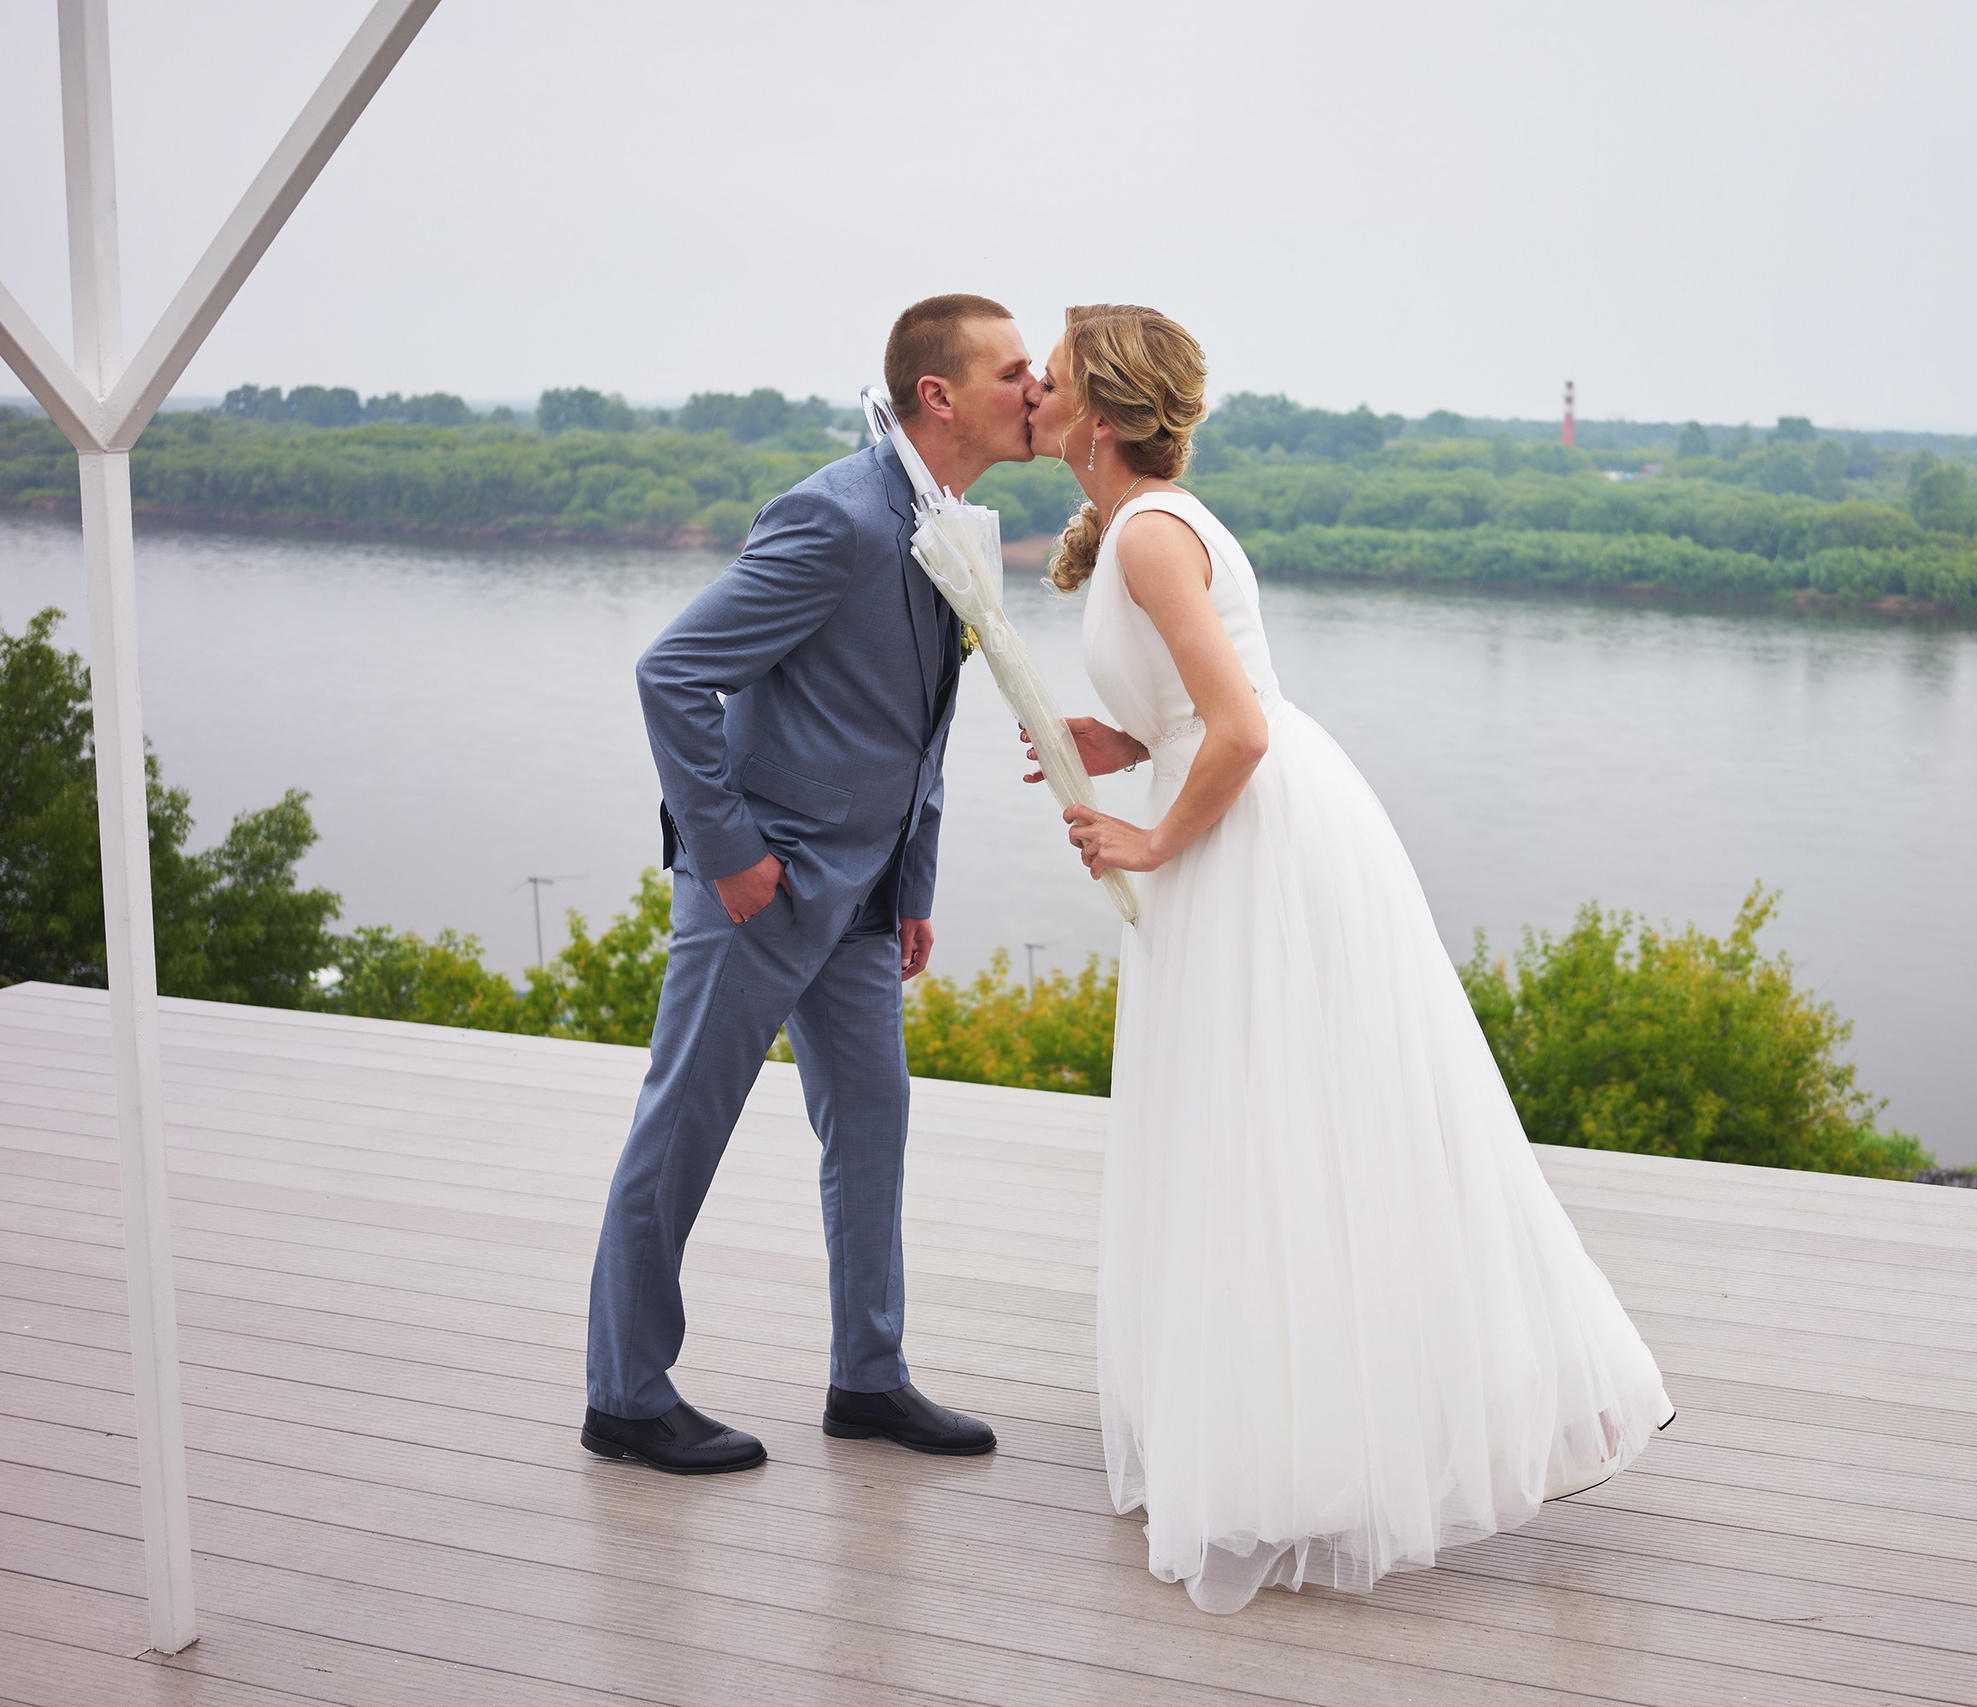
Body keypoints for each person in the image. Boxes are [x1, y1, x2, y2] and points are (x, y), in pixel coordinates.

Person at [1019, 305, 1675, 1611]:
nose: (1028, 388)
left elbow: (1244, 727)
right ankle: (1293, 1428)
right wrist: (1120, 740)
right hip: (1251, 828)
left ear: (1099, 411)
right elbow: (1195, 711)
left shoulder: (1148, 533)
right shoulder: (1144, 530)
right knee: (1260, 1126)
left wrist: (1148, 842)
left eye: (1048, 374)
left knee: (1274, 1123)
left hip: (1257, 840)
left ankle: (1330, 1439)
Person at [581, 294, 1039, 1473]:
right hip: (765, 892)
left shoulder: (946, 518)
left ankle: (868, 1380)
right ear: (938, 395)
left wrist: (914, 880)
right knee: (682, 1128)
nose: (1033, 392)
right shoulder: (834, 517)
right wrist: (732, 859)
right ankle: (625, 1395)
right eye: (1013, 372)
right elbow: (671, 675)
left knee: (872, 1127)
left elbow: (916, 731)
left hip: (867, 898)